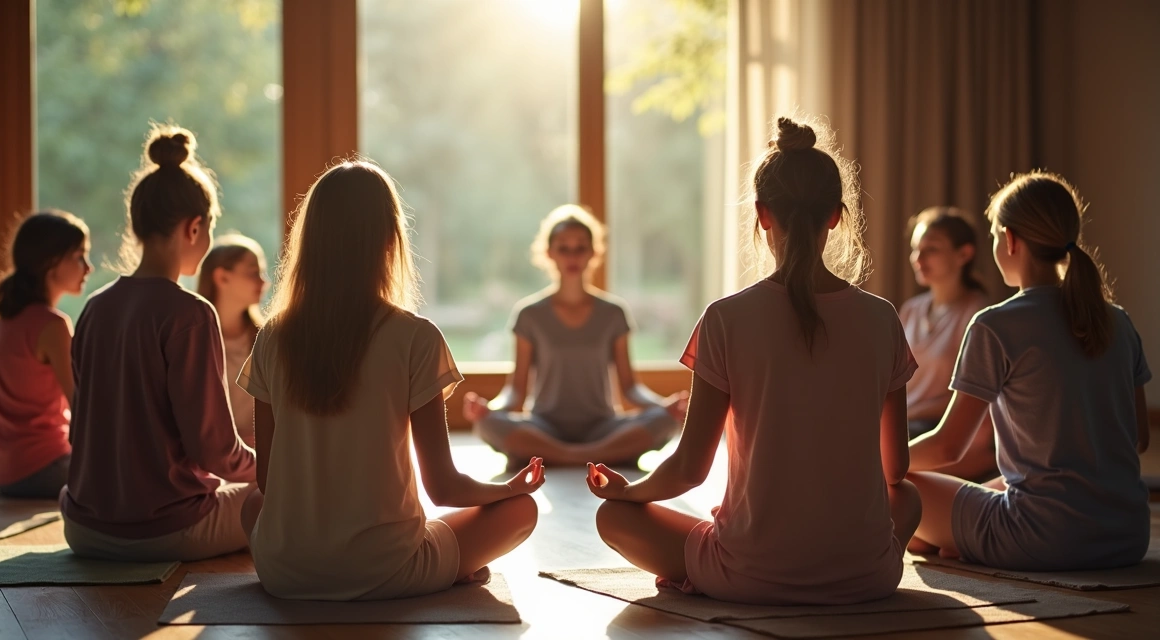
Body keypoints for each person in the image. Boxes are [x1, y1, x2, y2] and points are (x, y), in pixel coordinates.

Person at [585, 117, 921, 605]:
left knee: (613, 517)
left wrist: (630, 491)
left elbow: (689, 470)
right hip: (865, 577)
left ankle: (706, 569)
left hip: (747, 577)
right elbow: (897, 471)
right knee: (909, 498)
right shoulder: (882, 318)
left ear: (762, 214)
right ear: (836, 215)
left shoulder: (726, 318)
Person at [237, 160, 543, 601]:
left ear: (312, 242)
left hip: (284, 573)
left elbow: (267, 480)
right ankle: (451, 568)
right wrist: (509, 488)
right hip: (388, 570)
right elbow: (442, 486)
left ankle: (334, 565)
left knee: (250, 505)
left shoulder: (272, 336)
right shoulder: (415, 336)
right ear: (387, 240)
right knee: (520, 511)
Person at [907, 171, 1151, 571]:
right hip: (1127, 535)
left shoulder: (995, 324)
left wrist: (869, 462)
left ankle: (960, 541)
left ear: (1010, 240)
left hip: (1042, 537)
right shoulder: (1119, 321)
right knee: (935, 517)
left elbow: (948, 449)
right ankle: (958, 540)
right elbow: (1138, 438)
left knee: (897, 488)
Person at [61, 125, 256, 562]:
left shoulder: (94, 308)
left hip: (82, 527)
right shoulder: (190, 313)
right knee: (282, 493)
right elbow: (217, 453)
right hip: (165, 532)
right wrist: (277, 467)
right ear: (194, 228)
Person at [464, 205, 688, 467]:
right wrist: (488, 409)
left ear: (593, 252)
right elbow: (516, 392)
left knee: (666, 421)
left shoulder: (613, 313)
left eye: (580, 248)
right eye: (564, 248)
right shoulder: (529, 315)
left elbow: (630, 388)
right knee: (488, 424)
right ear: (549, 253)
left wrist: (664, 406)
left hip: (603, 426)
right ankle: (594, 456)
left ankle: (557, 456)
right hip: (544, 426)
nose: (573, 256)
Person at [0, 210, 91, 499]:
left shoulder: (9, 318)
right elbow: (80, 407)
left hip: (5, 473)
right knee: (135, 469)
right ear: (50, 263)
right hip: (43, 468)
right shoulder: (52, 325)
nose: (88, 267)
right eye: (79, 256)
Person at [900, 207, 996, 481]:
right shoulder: (911, 310)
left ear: (964, 254)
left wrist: (908, 412)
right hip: (909, 422)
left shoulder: (978, 315)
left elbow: (972, 398)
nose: (918, 258)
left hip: (944, 430)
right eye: (916, 249)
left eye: (931, 249)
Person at [197, 234, 269, 446]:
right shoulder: (193, 341)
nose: (264, 281)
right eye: (253, 273)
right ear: (222, 278)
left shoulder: (266, 339)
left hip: (261, 457)